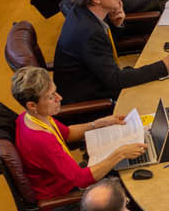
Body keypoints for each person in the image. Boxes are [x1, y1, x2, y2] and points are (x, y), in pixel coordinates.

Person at [54, 0, 169, 104]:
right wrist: (162, 67)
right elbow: (116, 80)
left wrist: (116, 26)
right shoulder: (88, 31)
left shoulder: (82, 14)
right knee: (166, 92)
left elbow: (100, 54)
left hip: (97, 81)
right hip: (91, 101)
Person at [10, 66, 142, 203]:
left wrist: (97, 124)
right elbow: (81, 180)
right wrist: (120, 153)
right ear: (32, 105)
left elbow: (68, 133)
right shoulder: (41, 140)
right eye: (51, 97)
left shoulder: (31, 117)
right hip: (63, 198)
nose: (59, 98)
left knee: (124, 167)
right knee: (132, 184)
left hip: (67, 179)